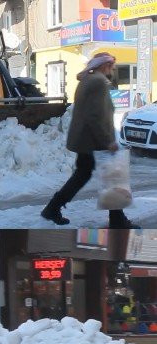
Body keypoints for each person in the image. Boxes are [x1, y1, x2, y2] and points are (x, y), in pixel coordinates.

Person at [41, 52, 138, 229]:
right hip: (93, 141)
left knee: (85, 175)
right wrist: (107, 141)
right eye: (110, 65)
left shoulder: (87, 79)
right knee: (111, 178)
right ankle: (117, 220)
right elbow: (95, 116)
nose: (113, 68)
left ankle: (53, 207)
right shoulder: (98, 82)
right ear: (103, 65)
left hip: (85, 139)